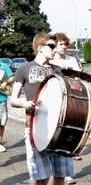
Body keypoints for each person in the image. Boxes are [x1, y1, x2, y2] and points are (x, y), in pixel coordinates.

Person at [10, 33, 74, 185]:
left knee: (60, 175)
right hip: (35, 128)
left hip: (58, 129)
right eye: (51, 46)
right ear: (40, 48)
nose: (55, 50)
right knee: (42, 177)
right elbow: (13, 99)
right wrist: (24, 103)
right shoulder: (24, 69)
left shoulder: (59, 71)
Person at [50, 32, 82, 185]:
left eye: (65, 44)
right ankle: (55, 171)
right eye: (60, 44)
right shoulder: (50, 62)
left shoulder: (72, 60)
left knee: (69, 134)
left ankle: (66, 172)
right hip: (56, 101)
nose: (64, 47)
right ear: (54, 47)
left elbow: (78, 79)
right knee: (56, 135)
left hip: (72, 101)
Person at [0, 60, 14, 152]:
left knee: (1, 122)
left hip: (1, 99)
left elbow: (12, 77)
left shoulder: (3, 66)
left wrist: (6, 82)